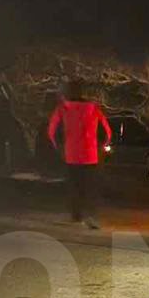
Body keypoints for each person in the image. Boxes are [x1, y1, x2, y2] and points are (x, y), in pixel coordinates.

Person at [46, 79, 111, 229]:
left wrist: (58, 146)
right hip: (91, 154)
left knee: (74, 185)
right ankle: (91, 214)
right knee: (90, 186)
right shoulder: (94, 108)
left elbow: (51, 130)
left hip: (71, 154)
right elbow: (107, 131)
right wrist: (102, 145)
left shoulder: (62, 108)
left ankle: (76, 215)